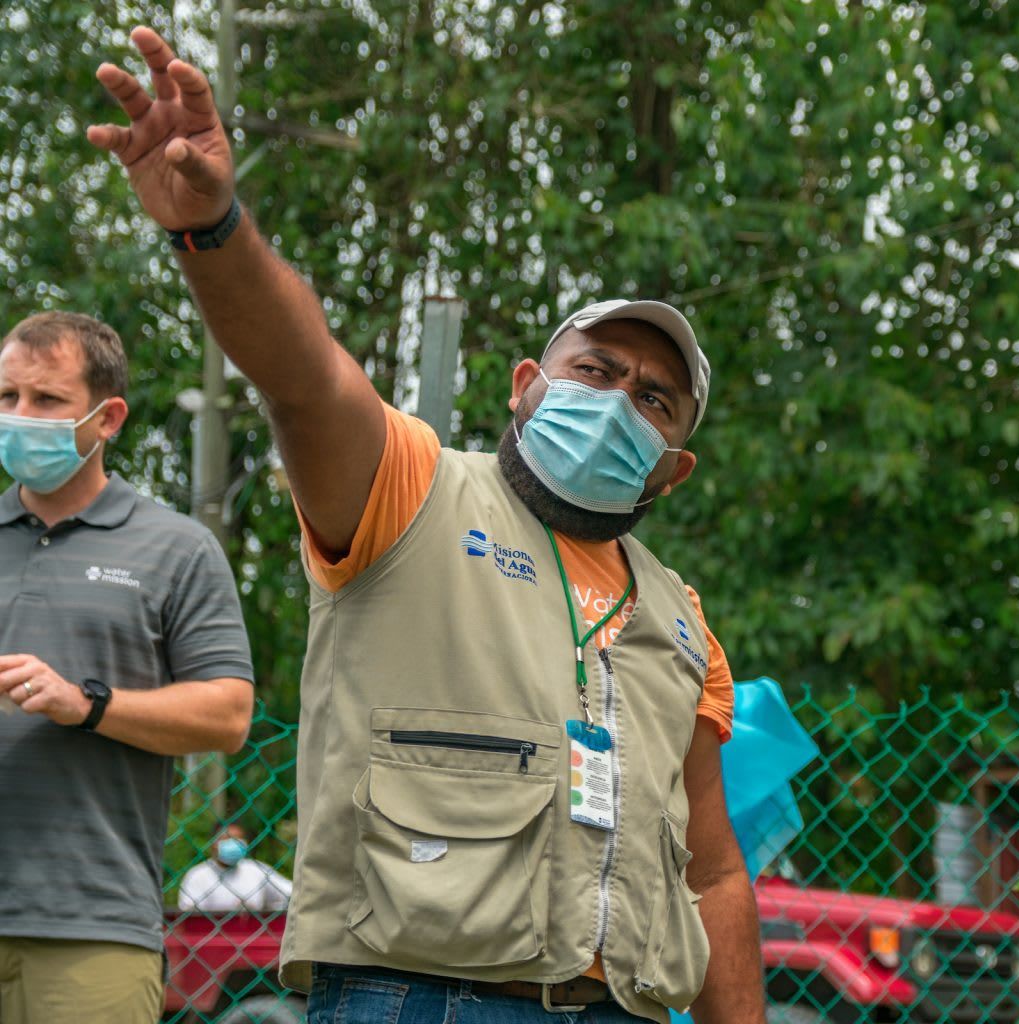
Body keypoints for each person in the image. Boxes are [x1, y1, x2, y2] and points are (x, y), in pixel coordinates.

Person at [88, 27, 765, 1024]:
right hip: (415, 998)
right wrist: (214, 230)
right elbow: (303, 377)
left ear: (675, 466)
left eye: (655, 400)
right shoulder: (413, 488)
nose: (622, 400)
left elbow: (713, 876)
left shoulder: (679, 619)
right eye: (597, 371)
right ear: (527, 385)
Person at [0, 311, 255, 1024]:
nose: (21, 417)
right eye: (7, 398)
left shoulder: (177, 549)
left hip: (93, 928)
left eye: (47, 401)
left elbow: (230, 716)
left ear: (108, 417)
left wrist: (86, 704)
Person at [178, 822, 293, 914]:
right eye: (227, 839)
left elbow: (290, 892)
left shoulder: (255, 870)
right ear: (213, 843)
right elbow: (190, 915)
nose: (234, 844)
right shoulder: (198, 876)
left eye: (238, 839)